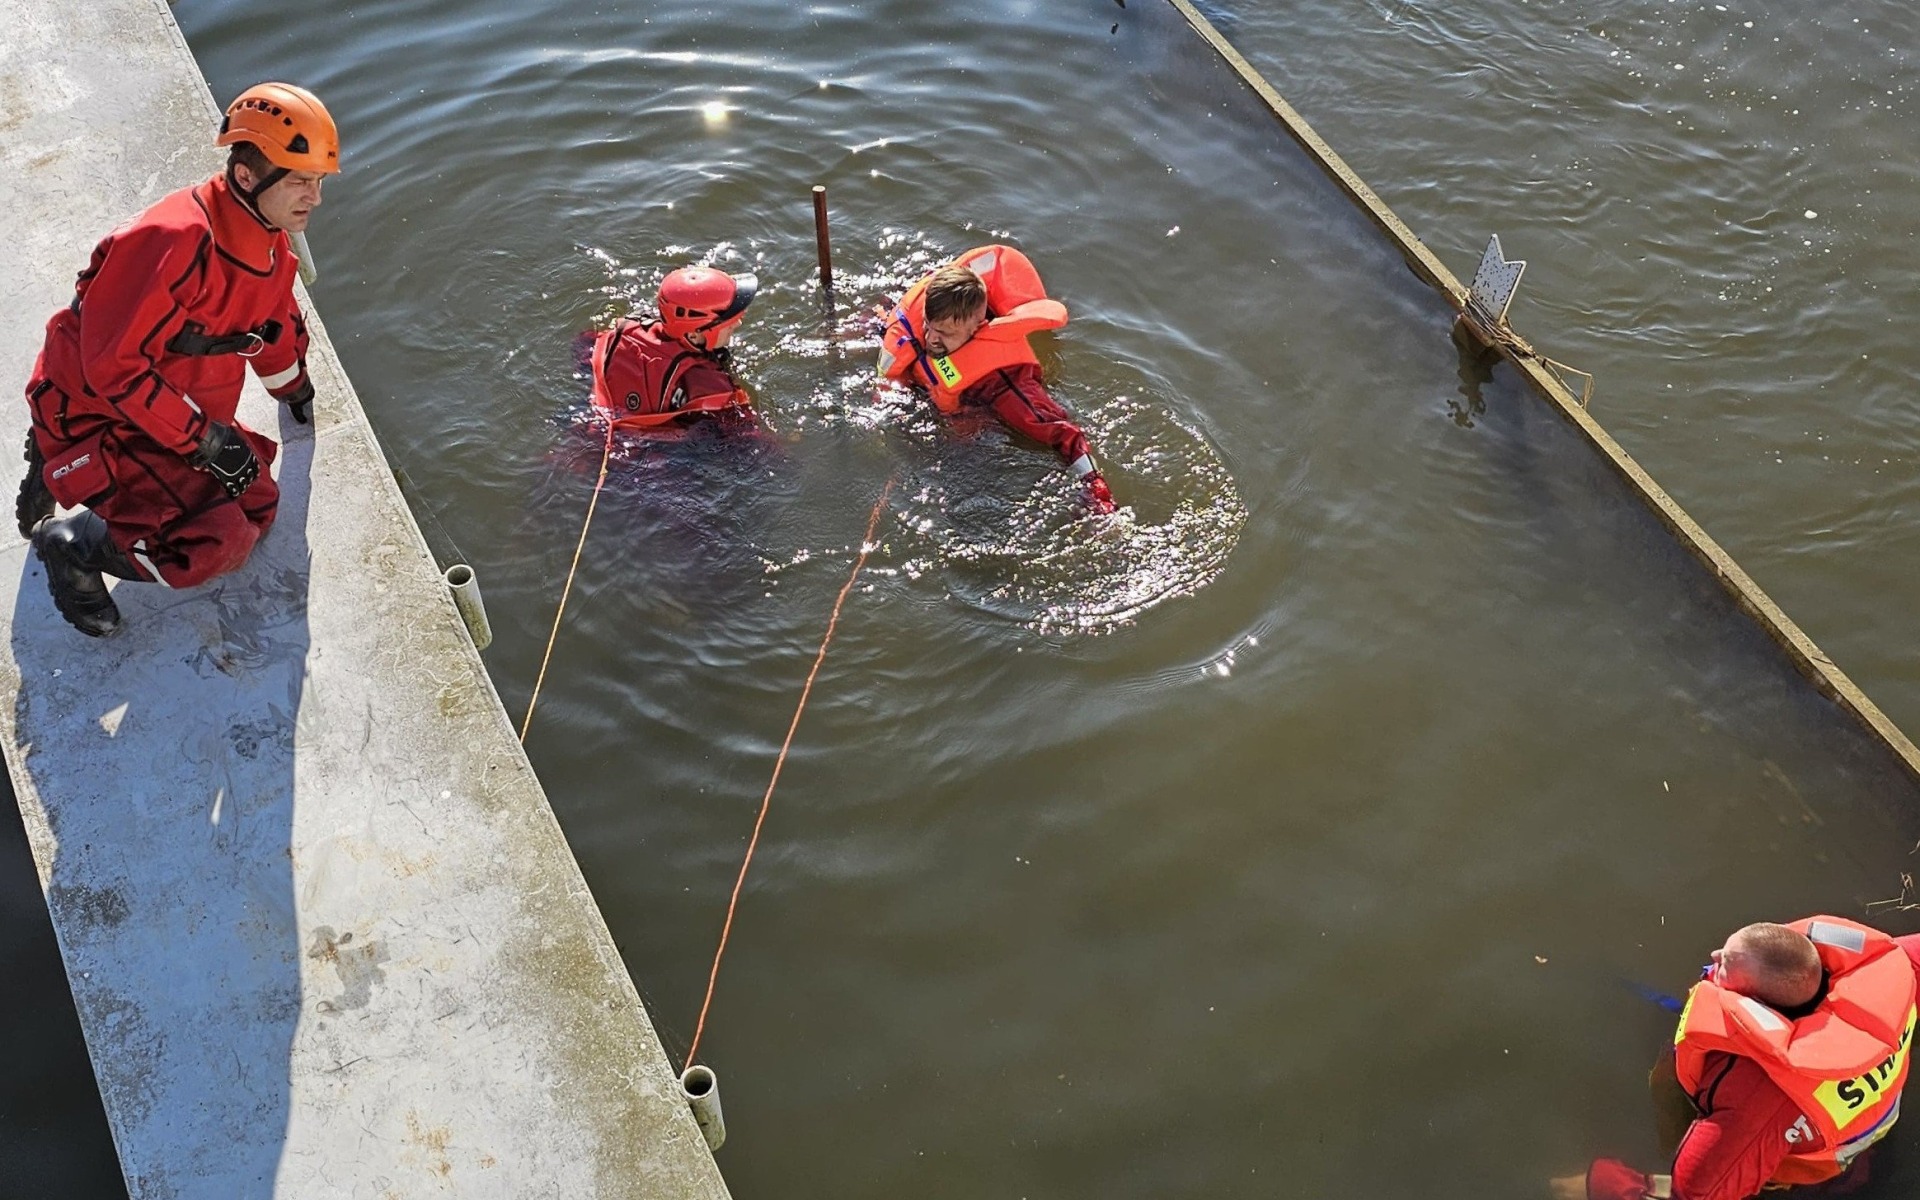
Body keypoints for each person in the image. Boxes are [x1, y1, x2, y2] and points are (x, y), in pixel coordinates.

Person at [18, 82, 339, 638]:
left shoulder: (266, 240)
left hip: (168, 408)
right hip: (97, 412)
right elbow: (112, 370)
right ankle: (70, 545)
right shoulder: (168, 240)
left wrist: (295, 390)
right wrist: (207, 443)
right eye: (299, 182)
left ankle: (65, 471)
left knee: (260, 508)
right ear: (246, 177)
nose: (314, 198)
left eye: (317, 182)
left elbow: (274, 326)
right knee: (218, 543)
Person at [1556, 917, 1918, 1200]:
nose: (1713, 958)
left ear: (1760, 1007)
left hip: (1815, 1178)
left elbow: (1698, 1192)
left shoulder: (1759, 1096)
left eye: (1726, 967)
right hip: (1863, 1127)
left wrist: (1604, 1184)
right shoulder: (1897, 969)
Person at [877, 245, 1116, 514]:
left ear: (977, 327)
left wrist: (1094, 487)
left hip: (973, 434)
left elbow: (1063, 434)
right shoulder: (927, 319)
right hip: (940, 408)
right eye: (928, 326)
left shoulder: (1005, 381)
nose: (931, 339)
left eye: (944, 333)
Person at [587, 266, 757, 432]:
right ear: (694, 335)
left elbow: (584, 348)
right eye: (729, 321)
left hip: (591, 424)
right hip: (642, 452)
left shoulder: (625, 331)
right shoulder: (711, 384)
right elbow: (748, 440)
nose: (738, 323)